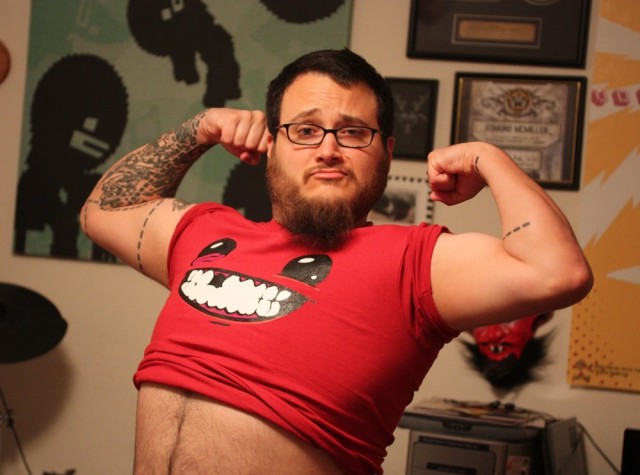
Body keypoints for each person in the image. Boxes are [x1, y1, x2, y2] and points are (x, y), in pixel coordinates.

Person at [81, 49, 593, 474]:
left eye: (352, 132)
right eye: (305, 130)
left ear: (385, 152)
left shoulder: (415, 263)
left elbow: (558, 272)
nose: (328, 149)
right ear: (272, 144)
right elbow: (104, 211)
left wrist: (489, 158)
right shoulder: (207, 234)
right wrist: (200, 128)